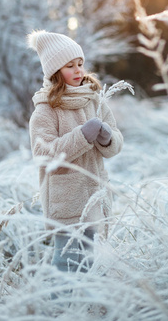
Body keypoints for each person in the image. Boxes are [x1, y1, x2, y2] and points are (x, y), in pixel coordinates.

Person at [28, 30, 123, 273]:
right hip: (66, 201)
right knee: (67, 262)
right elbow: (43, 154)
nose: (79, 70)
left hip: (95, 193)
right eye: (70, 66)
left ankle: (86, 308)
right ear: (55, 72)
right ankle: (61, 309)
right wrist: (82, 136)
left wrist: (107, 137)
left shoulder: (94, 100)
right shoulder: (45, 109)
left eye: (80, 63)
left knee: (91, 262)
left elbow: (115, 143)